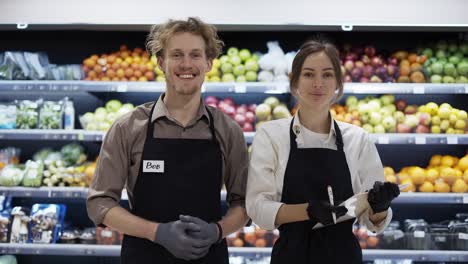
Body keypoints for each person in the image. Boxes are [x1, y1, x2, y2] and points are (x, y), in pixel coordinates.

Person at [87, 17, 250, 263]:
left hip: (208, 257)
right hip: (144, 256)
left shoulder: (228, 130)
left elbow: (244, 204)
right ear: (161, 62)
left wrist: (217, 231)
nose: (187, 64)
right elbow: (100, 203)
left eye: (195, 55)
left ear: (208, 63)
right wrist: (157, 232)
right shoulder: (128, 128)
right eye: (177, 55)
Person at [246, 39, 400, 264]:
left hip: (344, 256)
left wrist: (381, 206)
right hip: (291, 256)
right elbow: (258, 208)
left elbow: (372, 222)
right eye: (308, 74)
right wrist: (308, 211)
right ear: (294, 82)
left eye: (327, 75)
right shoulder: (270, 136)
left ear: (337, 83)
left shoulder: (357, 139)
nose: (318, 83)